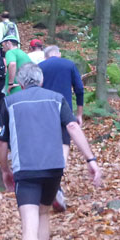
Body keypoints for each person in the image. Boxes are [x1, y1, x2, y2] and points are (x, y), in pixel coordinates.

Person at [0, 63, 102, 240]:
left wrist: (4, 170)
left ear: (21, 84)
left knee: (29, 225)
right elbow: (73, 127)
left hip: (25, 170)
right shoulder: (56, 99)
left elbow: (1, 143)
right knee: (44, 213)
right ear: (41, 81)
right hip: (53, 169)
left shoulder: (10, 102)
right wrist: (91, 160)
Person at [39, 45, 85, 212]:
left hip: (44, 113)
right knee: (64, 147)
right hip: (64, 112)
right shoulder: (69, 64)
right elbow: (79, 89)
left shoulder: (40, 67)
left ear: (46, 56)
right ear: (58, 53)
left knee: (47, 148)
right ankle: (55, 186)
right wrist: (79, 113)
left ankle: (51, 187)